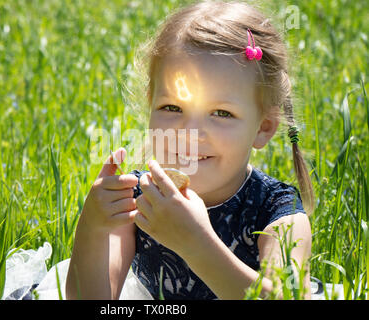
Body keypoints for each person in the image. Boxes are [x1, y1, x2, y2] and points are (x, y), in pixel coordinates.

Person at [66, 0, 314, 300]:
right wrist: (92, 227)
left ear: (263, 128)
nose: (189, 133)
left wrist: (195, 244)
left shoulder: (278, 211)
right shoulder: (139, 200)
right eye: (172, 107)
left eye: (221, 113)